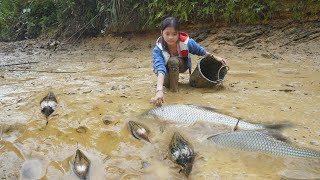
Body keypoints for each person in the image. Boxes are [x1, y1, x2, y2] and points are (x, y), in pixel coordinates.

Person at [150, 16, 227, 106]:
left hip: (180, 64)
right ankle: (170, 85)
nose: (170, 37)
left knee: (173, 61)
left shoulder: (186, 42)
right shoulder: (158, 49)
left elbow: (200, 50)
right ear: (161, 33)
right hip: (165, 69)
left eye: (174, 34)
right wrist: (159, 91)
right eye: (167, 34)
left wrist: (215, 57)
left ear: (178, 33)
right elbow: (160, 68)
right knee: (166, 84)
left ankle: (174, 91)